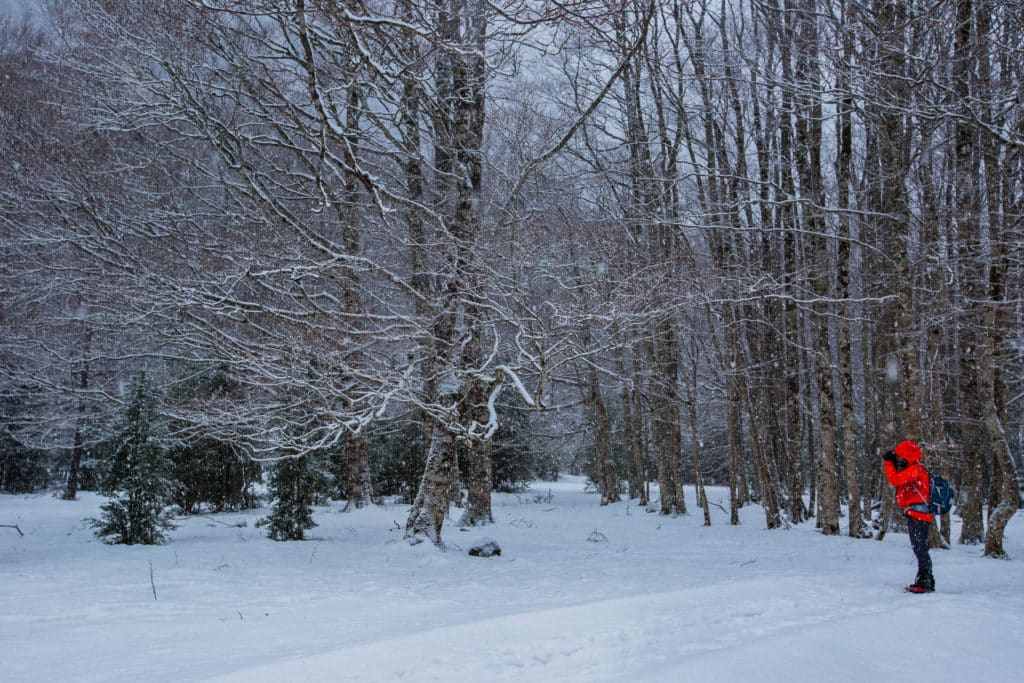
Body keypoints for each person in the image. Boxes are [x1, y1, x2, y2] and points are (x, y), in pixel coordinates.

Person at [882, 440, 934, 593]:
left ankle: (925, 582)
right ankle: (924, 581)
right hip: (916, 515)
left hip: (919, 516)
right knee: (919, 549)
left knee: (920, 549)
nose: (898, 461)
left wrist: (888, 463)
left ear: (907, 456)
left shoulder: (916, 470)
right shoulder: (914, 469)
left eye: (899, 458)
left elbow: (895, 480)